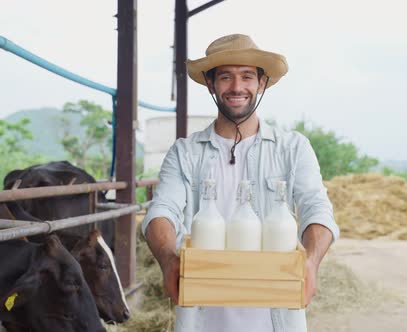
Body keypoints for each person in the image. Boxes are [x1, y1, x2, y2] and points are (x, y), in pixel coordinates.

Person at [142, 33, 339, 332]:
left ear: (261, 83)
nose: (237, 87)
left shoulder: (292, 148)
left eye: (247, 76)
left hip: (275, 317)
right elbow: (162, 211)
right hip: (202, 316)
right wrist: (169, 260)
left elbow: (316, 208)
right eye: (225, 77)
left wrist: (310, 262)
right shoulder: (185, 152)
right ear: (210, 83)